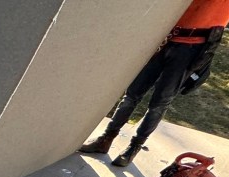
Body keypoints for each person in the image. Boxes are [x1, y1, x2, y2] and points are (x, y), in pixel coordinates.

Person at [79, 0, 229, 167]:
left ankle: (133, 148)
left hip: (192, 49)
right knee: (132, 94)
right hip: (164, 39)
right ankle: (106, 138)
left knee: (160, 103)